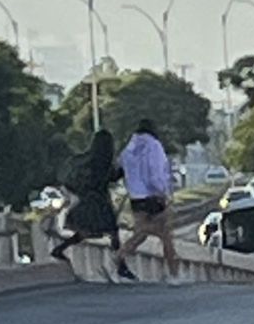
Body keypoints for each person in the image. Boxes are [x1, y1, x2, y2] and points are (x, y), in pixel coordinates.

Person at [52, 130, 133, 279]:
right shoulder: (102, 163)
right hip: (98, 203)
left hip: (84, 202)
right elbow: (112, 177)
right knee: (113, 233)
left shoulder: (84, 160)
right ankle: (122, 266)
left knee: (85, 232)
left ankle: (60, 249)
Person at [117, 119, 180, 281]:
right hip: (154, 197)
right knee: (166, 236)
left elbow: (124, 172)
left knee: (141, 233)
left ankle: (121, 256)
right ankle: (174, 274)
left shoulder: (127, 150)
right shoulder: (154, 146)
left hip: (136, 198)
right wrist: (163, 191)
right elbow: (155, 173)